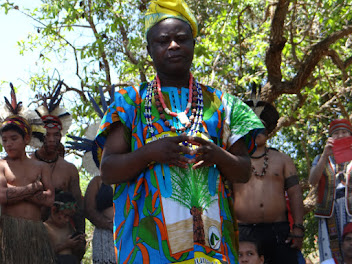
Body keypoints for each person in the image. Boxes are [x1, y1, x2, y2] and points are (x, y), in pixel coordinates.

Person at [95, 0, 264, 263]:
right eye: (163, 41)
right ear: (150, 50)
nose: (173, 45)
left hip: (213, 246)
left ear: (193, 44)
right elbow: (108, 171)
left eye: (181, 38)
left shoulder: (225, 105)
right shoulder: (129, 102)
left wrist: (217, 155)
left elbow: (243, 171)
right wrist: (149, 153)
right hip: (148, 248)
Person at [233, 95, 304, 264]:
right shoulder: (233, 160)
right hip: (243, 233)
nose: (257, 130)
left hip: (279, 232)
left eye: (261, 126)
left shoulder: (283, 160)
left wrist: (299, 227)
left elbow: (295, 194)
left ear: (268, 131)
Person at [0, 87, 56, 264]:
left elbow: (49, 200)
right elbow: (2, 196)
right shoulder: (1, 165)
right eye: (4, 140)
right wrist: (35, 187)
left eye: (13, 139)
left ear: (26, 139)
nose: (8, 144)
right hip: (8, 231)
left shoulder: (41, 167)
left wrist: (14, 191)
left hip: (36, 233)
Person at [32, 81, 85, 235]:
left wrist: (80, 235)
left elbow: (78, 206)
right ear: (40, 135)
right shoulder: (29, 163)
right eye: (47, 134)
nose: (52, 139)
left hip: (64, 236)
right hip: (33, 234)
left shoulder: (69, 169)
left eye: (56, 134)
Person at [309, 119, 352, 262]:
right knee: (333, 251)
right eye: (336, 133)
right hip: (330, 212)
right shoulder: (322, 158)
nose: (340, 136)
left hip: (350, 208)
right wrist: (324, 156)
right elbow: (312, 181)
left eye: (344, 132)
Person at [44, 190, 86, 264]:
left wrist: (79, 245)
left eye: (69, 217)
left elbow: (78, 255)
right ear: (53, 210)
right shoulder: (45, 227)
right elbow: (42, 254)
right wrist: (65, 245)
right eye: (65, 215)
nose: (67, 220)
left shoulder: (69, 227)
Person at [84, 176, 115, 264]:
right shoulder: (97, 181)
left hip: (129, 231)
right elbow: (89, 210)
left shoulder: (132, 176)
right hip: (104, 234)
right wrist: (108, 225)